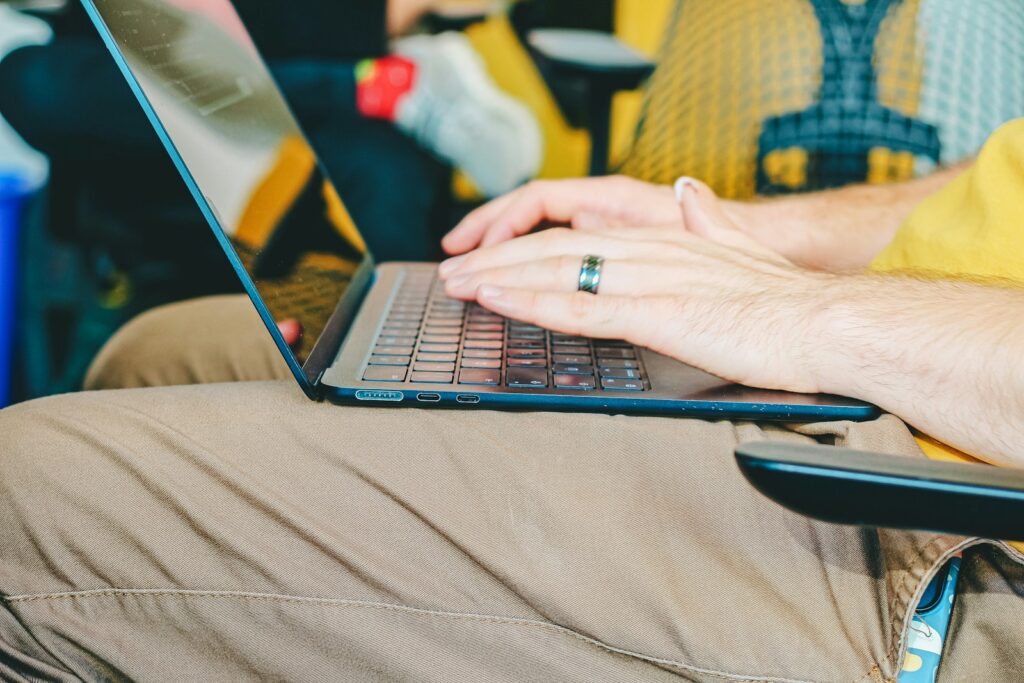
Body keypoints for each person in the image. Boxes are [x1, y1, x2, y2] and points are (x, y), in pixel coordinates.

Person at [3, 104, 1024, 680]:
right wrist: (760, 238)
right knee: (161, 350)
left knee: (24, 500)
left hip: (952, 532)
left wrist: (807, 316)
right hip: (902, 373)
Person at [0, 0, 541, 261]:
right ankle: (377, 85)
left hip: (300, 105)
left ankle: (381, 84)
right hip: (143, 80)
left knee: (382, 171)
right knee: (32, 78)